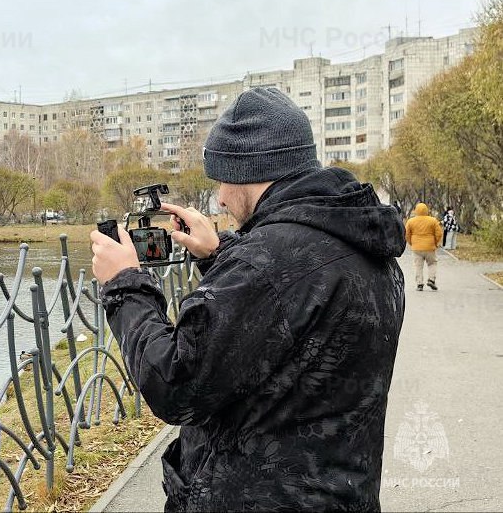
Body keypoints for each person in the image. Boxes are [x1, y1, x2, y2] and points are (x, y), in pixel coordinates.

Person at [90, 87, 406, 511]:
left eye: (222, 179)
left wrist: (124, 283)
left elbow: (175, 384)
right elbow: (287, 324)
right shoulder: (363, 242)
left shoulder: (266, 265)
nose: (219, 197)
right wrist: (221, 254)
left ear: (249, 170)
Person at [406, 202, 443, 290]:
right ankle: (431, 279)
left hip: (416, 247)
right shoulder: (433, 220)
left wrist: (411, 243)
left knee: (418, 266)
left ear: (415, 211)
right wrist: (436, 243)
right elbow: (439, 233)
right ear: (427, 210)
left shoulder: (411, 221)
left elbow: (407, 234)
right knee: (432, 263)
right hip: (430, 246)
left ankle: (419, 284)